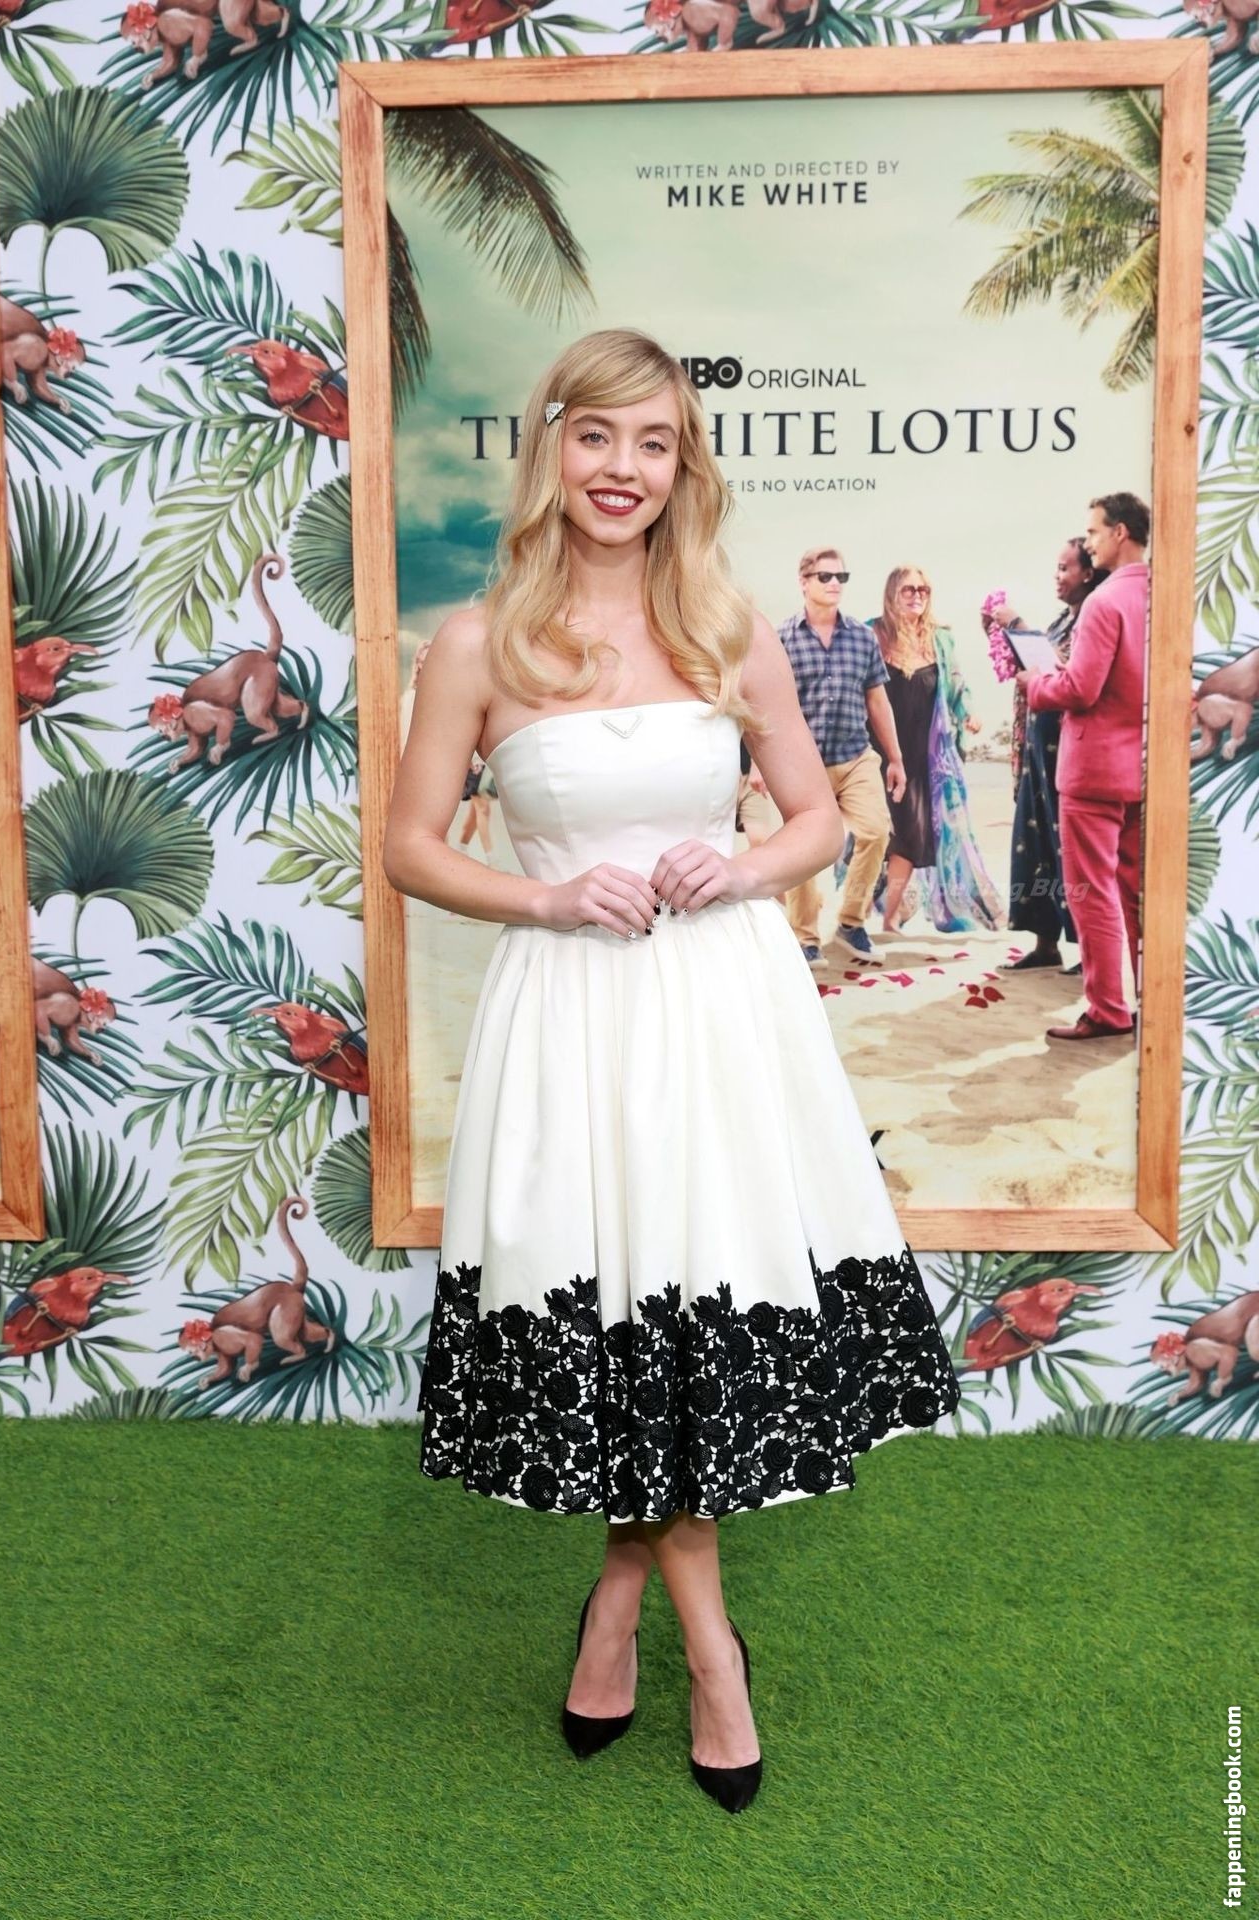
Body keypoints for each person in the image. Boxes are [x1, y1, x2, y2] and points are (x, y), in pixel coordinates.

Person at [382, 328, 961, 1816]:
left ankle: (630, 1612)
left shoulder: (725, 626)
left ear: (681, 466)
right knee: (620, 1305)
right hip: (570, 1012)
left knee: (689, 1303)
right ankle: (710, 1647)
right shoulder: (476, 645)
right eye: (596, 436)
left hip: (719, 1010)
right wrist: (548, 895)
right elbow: (411, 848)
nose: (622, 469)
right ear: (551, 447)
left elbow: (817, 821)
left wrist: (738, 867)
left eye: (653, 443)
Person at [1018, 493, 1149, 1040]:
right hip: (1145, 767)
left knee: (1092, 895)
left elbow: (1080, 688)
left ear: (1120, 533)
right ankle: (1150, 1002)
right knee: (1137, 895)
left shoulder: (1104, 600)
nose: (1088, 542)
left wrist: (1035, 683)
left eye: (1093, 532)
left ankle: (1108, 1010)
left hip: (1094, 771)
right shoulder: (1162, 593)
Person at [778, 547, 906, 963]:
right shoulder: (782, 639)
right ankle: (805, 937)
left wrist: (895, 758)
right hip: (803, 764)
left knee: (876, 832)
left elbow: (877, 700)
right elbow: (771, 706)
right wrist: (762, 764)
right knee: (802, 848)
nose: (835, 583)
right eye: (825, 576)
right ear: (804, 582)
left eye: (841, 577)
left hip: (855, 757)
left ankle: (851, 922)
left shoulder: (861, 637)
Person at [991, 539, 1108, 974]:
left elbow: (1070, 670)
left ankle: (1088, 952)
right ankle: (1046, 944)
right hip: (1039, 751)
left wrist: (1019, 624)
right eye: (1056, 568)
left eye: (1065, 568)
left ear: (1087, 573)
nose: (1058, 576)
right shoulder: (1062, 620)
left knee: (1068, 851)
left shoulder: (1094, 617)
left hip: (1070, 751)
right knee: (1036, 841)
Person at [867, 567, 1004, 935]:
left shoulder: (940, 639)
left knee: (909, 837)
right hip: (877, 753)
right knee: (873, 835)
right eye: (909, 589)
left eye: (924, 589)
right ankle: (860, 912)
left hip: (924, 758)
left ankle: (890, 918)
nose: (918, 595)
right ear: (892, 593)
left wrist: (968, 713)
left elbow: (956, 684)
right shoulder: (872, 633)